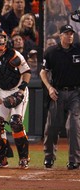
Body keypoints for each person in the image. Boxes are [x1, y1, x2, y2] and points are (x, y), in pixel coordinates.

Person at [0, 28, 31, 169]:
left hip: (18, 89)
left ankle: (24, 158)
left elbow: (27, 72)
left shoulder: (14, 54)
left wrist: (22, 90)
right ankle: (1, 159)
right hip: (2, 91)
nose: (1, 41)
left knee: (16, 122)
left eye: (2, 38)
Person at [39, 24, 80, 170]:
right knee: (51, 127)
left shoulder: (78, 49)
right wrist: (49, 87)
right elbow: (43, 72)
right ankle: (49, 157)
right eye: (67, 33)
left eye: (71, 33)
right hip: (57, 92)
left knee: (73, 126)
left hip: (76, 93)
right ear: (60, 35)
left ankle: (74, 160)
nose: (70, 36)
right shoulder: (51, 52)